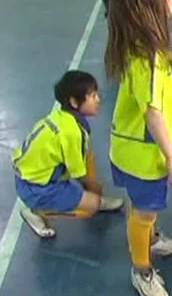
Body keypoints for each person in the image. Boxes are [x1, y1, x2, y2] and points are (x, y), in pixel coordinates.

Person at [105, 0, 172, 296]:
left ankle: (148, 236)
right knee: (145, 209)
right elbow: (151, 112)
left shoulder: (141, 48)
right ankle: (142, 270)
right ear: (148, 5)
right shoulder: (147, 57)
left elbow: (146, 103)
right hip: (142, 154)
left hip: (128, 145)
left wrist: (169, 119)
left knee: (141, 205)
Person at [12, 70, 124, 238]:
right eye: (92, 96)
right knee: (92, 205)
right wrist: (96, 189)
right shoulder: (72, 132)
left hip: (29, 178)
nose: (98, 100)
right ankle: (36, 211)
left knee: (88, 159)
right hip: (38, 188)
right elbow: (80, 175)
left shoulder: (61, 116)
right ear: (74, 101)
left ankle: (88, 199)